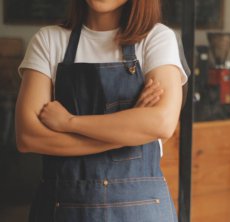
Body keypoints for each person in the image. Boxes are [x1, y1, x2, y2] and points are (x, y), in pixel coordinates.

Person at [15, 0, 188, 221]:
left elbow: (162, 123)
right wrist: (130, 134)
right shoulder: (49, 40)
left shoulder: (156, 38)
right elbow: (28, 136)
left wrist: (69, 122)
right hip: (62, 209)